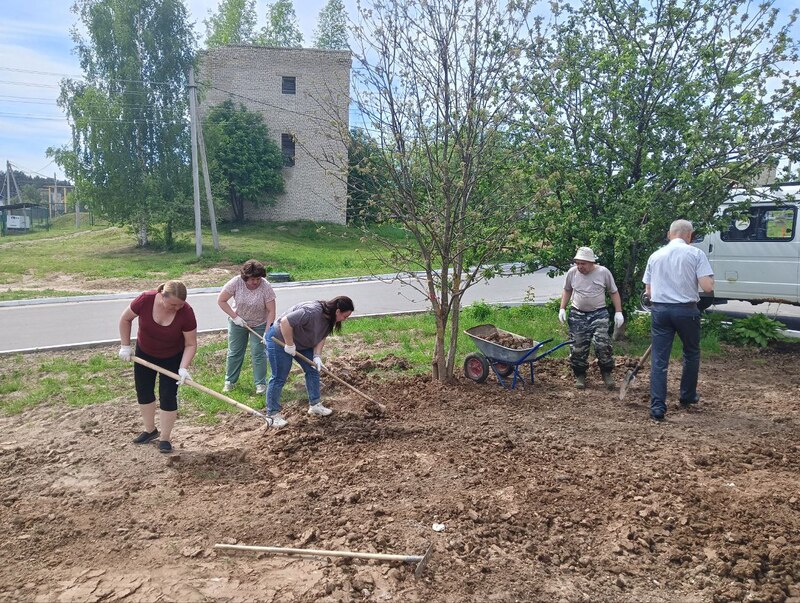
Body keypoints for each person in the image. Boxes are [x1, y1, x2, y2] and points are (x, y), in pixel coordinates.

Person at [643, 219, 714, 422]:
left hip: (660, 311)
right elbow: (707, 287)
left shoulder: (655, 255)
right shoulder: (696, 254)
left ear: (669, 234)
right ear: (689, 236)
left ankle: (657, 408)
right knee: (691, 353)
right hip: (686, 311)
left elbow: (649, 291)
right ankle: (687, 395)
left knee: (659, 360)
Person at [118, 281, 197, 453]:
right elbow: (125, 318)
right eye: (173, 304)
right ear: (162, 296)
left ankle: (165, 438)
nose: (177, 308)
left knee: (168, 395)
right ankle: (150, 430)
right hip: (145, 353)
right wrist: (125, 345)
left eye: (180, 305)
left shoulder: (186, 312)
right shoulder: (145, 300)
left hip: (172, 357)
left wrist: (183, 368)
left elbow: (191, 344)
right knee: (144, 391)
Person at [265, 295, 355, 428]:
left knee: (313, 369)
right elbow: (285, 322)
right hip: (279, 339)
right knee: (279, 377)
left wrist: (317, 356)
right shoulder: (311, 312)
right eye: (345, 316)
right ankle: (272, 416)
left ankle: (315, 405)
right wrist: (289, 344)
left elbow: (321, 336)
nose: (345, 319)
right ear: (337, 311)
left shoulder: (329, 318)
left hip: (300, 342)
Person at [558, 246, 624, 390]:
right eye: (578, 263)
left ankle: (606, 372)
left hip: (598, 313)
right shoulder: (572, 273)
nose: (580, 266)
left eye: (583, 263)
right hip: (578, 314)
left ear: (591, 262)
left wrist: (618, 312)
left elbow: (613, 292)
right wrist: (562, 308)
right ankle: (580, 374)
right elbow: (567, 289)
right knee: (578, 347)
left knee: (602, 344)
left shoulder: (603, 272)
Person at [217, 260, 276, 394]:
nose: (255, 282)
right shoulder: (236, 282)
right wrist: (235, 317)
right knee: (235, 352)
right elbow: (221, 300)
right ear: (245, 277)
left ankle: (260, 384)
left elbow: (271, 311)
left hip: (259, 323)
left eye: (258, 279)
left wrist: (267, 332)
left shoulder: (265, 286)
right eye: (252, 279)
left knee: (258, 353)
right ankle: (230, 381)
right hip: (238, 322)